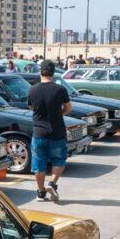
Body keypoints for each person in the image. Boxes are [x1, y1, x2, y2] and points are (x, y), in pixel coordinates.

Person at [27, 60, 71, 202]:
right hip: (57, 132)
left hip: (39, 132)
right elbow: (68, 108)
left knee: (38, 163)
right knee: (59, 160)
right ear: (53, 73)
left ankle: (41, 192)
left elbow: (31, 107)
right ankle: (52, 183)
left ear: (41, 71)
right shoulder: (60, 89)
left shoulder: (32, 89)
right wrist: (59, 113)